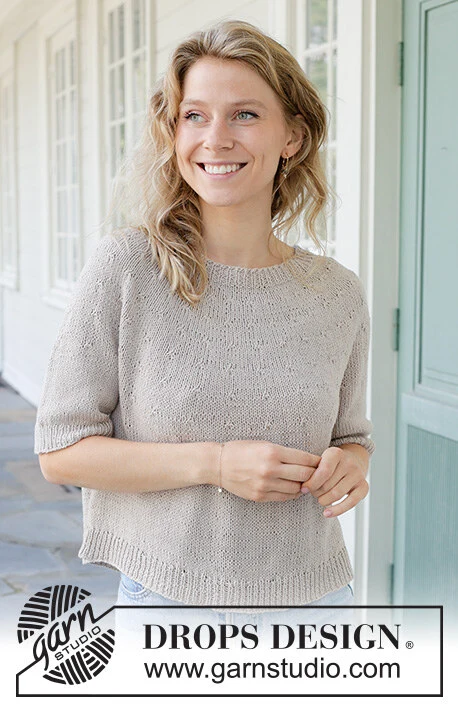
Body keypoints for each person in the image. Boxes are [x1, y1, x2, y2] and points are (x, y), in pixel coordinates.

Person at [34, 20, 375, 635]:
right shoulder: (127, 269)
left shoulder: (337, 293)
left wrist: (351, 463)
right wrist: (216, 464)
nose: (215, 138)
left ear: (292, 136)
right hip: (169, 605)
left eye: (244, 114)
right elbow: (61, 452)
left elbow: (350, 436)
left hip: (316, 602)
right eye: (194, 115)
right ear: (174, 132)